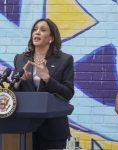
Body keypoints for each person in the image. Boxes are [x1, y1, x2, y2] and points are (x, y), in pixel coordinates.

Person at [13, 18, 74, 150]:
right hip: (24, 128)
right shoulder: (20, 59)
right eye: (35, 29)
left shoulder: (65, 60)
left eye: (43, 30)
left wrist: (47, 79)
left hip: (53, 128)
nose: (37, 32)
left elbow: (68, 93)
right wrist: (18, 82)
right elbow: (13, 92)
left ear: (51, 37)